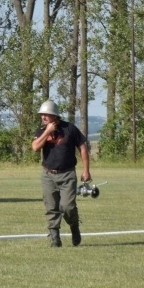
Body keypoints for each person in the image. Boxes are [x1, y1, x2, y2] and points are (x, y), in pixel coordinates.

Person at [31, 99, 91, 248]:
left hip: (67, 174)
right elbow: (35, 148)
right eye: (42, 115)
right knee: (51, 206)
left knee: (67, 207)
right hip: (48, 175)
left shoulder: (70, 129)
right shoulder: (41, 130)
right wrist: (47, 132)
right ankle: (55, 238)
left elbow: (83, 147)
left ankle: (74, 226)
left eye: (46, 114)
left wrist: (86, 170)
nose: (43, 117)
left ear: (55, 116)